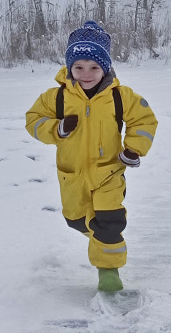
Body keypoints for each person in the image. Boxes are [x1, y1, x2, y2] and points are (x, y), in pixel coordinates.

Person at [25, 21, 157, 292]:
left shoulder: (120, 97)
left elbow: (144, 120)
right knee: (75, 219)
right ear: (70, 67)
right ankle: (99, 237)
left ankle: (109, 272)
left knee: (110, 222)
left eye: (94, 67)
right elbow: (33, 120)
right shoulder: (57, 97)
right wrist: (56, 129)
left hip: (109, 172)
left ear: (105, 67)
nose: (86, 74)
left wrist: (133, 149)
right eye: (79, 67)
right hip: (72, 175)